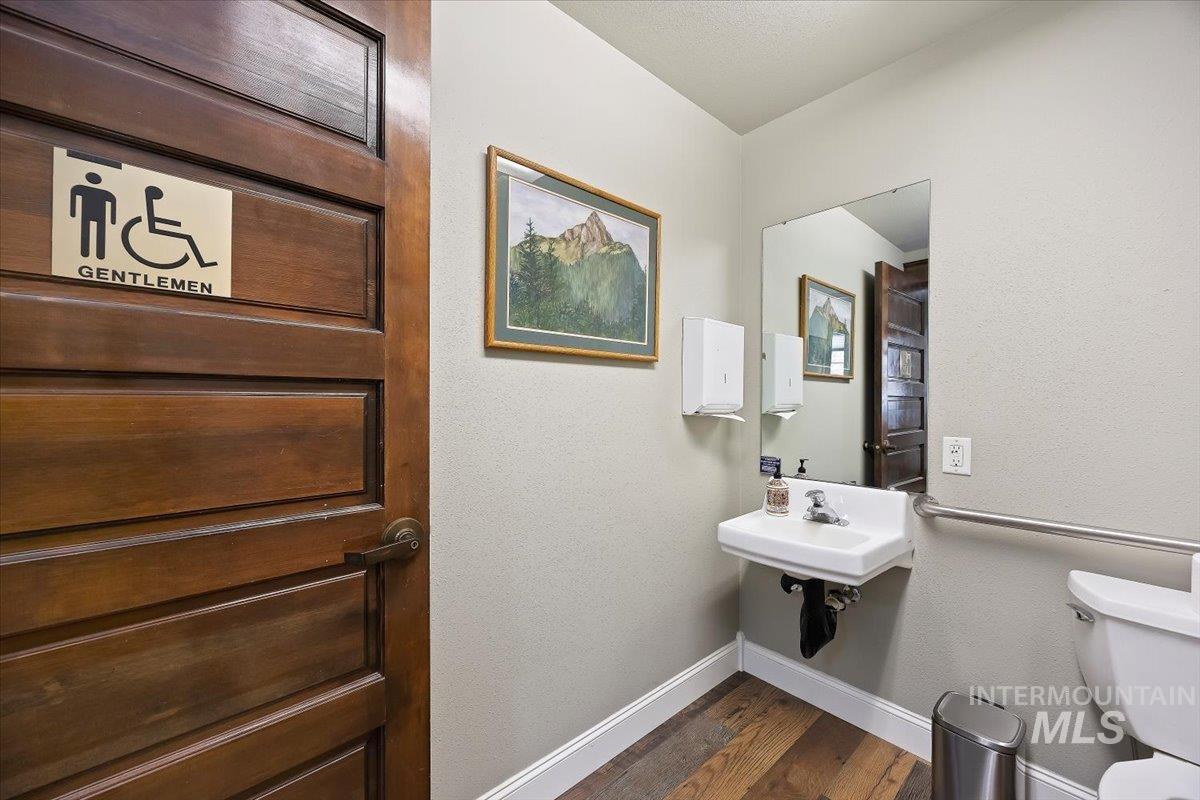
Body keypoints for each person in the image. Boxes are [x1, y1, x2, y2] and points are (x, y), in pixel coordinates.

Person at [141, 185, 217, 268]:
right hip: (153, 228)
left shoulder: (150, 203)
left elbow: (154, 219)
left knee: (188, 237)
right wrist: (174, 223)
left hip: (153, 225)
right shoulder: (149, 205)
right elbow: (153, 220)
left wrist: (174, 223)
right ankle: (202, 263)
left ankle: (202, 263)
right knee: (188, 237)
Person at [69, 172, 116, 259]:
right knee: (88, 232)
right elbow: (73, 195)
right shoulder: (82, 188)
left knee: (97, 233)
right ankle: (87, 253)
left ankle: (97, 254)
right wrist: (73, 212)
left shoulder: (81, 188)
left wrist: (113, 220)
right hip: (93, 214)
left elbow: (113, 203)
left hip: (94, 215)